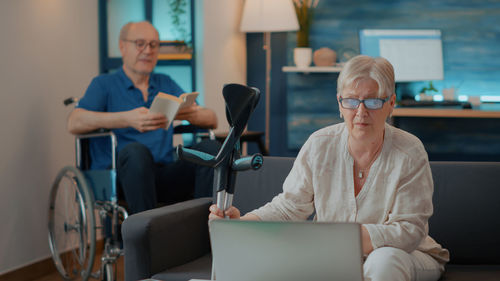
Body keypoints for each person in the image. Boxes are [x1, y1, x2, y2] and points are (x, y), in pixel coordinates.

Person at [209, 55, 450, 281]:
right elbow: (289, 207)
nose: (361, 112)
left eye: (373, 101)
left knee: (383, 261)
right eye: (352, 101)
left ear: (391, 103)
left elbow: (408, 231)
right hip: (336, 256)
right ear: (340, 103)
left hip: (406, 254)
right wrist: (240, 226)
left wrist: (338, 242)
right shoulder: (319, 144)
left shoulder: (410, 151)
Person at [68, 21, 219, 214]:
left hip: (163, 173)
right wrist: (126, 119)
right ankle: (145, 235)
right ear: (122, 47)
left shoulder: (165, 83)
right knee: (136, 152)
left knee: (211, 149)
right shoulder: (104, 84)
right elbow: (74, 122)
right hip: (123, 176)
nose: (148, 51)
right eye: (140, 43)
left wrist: (186, 112)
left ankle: (206, 228)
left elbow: (212, 119)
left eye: (154, 45)